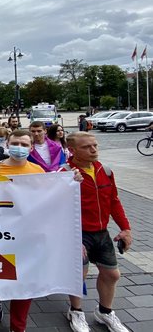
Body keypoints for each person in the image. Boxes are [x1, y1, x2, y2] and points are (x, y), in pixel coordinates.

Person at [0, 129, 82, 331]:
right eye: (16, 143)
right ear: (7, 144)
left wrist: (71, 181)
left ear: (31, 148)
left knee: (25, 282)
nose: (20, 148)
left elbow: (49, 197)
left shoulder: (37, 171)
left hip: (26, 236)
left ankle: (18, 327)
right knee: (0, 274)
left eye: (24, 145)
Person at [65, 132, 132, 332]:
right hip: (79, 233)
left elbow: (114, 201)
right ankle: (76, 311)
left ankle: (105, 312)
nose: (94, 150)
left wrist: (125, 228)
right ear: (72, 150)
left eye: (95, 145)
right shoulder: (65, 173)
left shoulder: (106, 170)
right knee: (79, 275)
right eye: (87, 147)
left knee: (112, 274)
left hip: (102, 232)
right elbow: (59, 210)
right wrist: (73, 238)